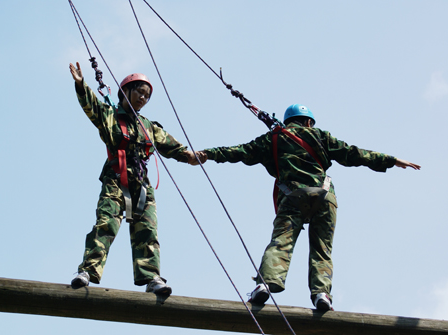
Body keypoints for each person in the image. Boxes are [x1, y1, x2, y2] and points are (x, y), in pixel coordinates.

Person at [198, 104, 420, 310]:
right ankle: (321, 294)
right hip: (324, 197)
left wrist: (207, 154)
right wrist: (390, 160)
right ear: (308, 122)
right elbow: (353, 153)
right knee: (321, 249)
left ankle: (265, 284)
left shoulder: (273, 138)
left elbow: (239, 151)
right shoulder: (320, 136)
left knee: (281, 242)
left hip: (293, 196)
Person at [69, 62, 205, 295]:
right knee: (107, 222)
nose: (143, 98)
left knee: (148, 230)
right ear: (126, 92)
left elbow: (172, 146)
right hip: (116, 178)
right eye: (139, 92)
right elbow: (91, 105)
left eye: (146, 96)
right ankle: (87, 271)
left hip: (141, 184)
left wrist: (190, 156)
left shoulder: (149, 127)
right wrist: (81, 85)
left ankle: (151, 277)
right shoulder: (110, 116)